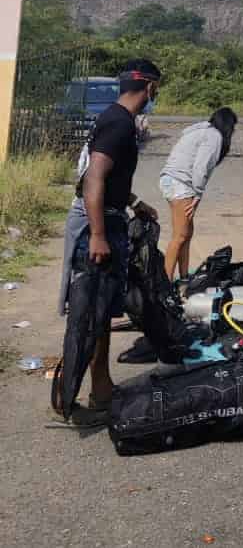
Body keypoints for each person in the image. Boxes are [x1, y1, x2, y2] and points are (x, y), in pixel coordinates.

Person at [55, 59, 161, 425]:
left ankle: (101, 388)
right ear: (149, 87)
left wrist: (133, 203)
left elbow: (107, 176)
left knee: (102, 312)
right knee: (88, 314)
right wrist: (99, 234)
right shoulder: (118, 123)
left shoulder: (115, 119)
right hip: (97, 227)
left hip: (111, 217)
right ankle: (73, 396)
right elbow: (94, 179)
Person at [158, 107, 238, 281]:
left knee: (186, 232)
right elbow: (200, 168)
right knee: (179, 236)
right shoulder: (214, 137)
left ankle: (184, 277)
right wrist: (198, 194)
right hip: (180, 183)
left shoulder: (200, 130)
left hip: (170, 180)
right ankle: (164, 284)